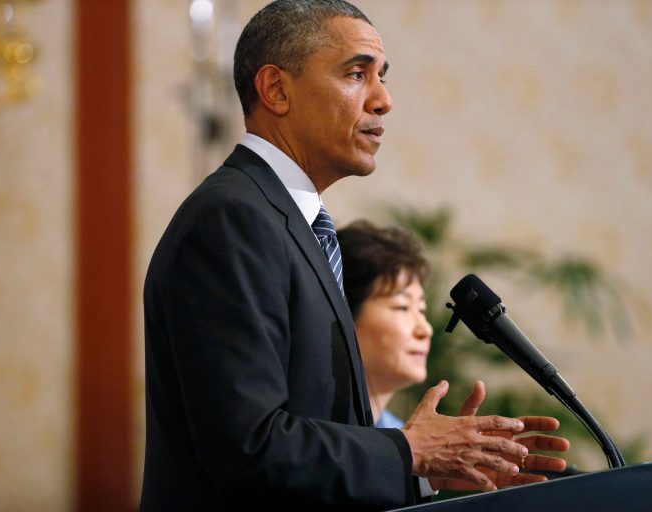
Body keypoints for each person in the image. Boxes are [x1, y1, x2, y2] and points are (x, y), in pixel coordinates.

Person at [141, 1, 563, 510]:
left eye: (382, 77)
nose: (383, 100)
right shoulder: (233, 220)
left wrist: (433, 472)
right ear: (276, 89)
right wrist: (408, 451)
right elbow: (248, 448)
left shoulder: (296, 225)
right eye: (357, 74)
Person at [338, 220, 570, 489]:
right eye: (402, 307)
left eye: (421, 311)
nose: (424, 329)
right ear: (342, 313)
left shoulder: (397, 430)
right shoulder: (307, 434)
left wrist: (429, 477)